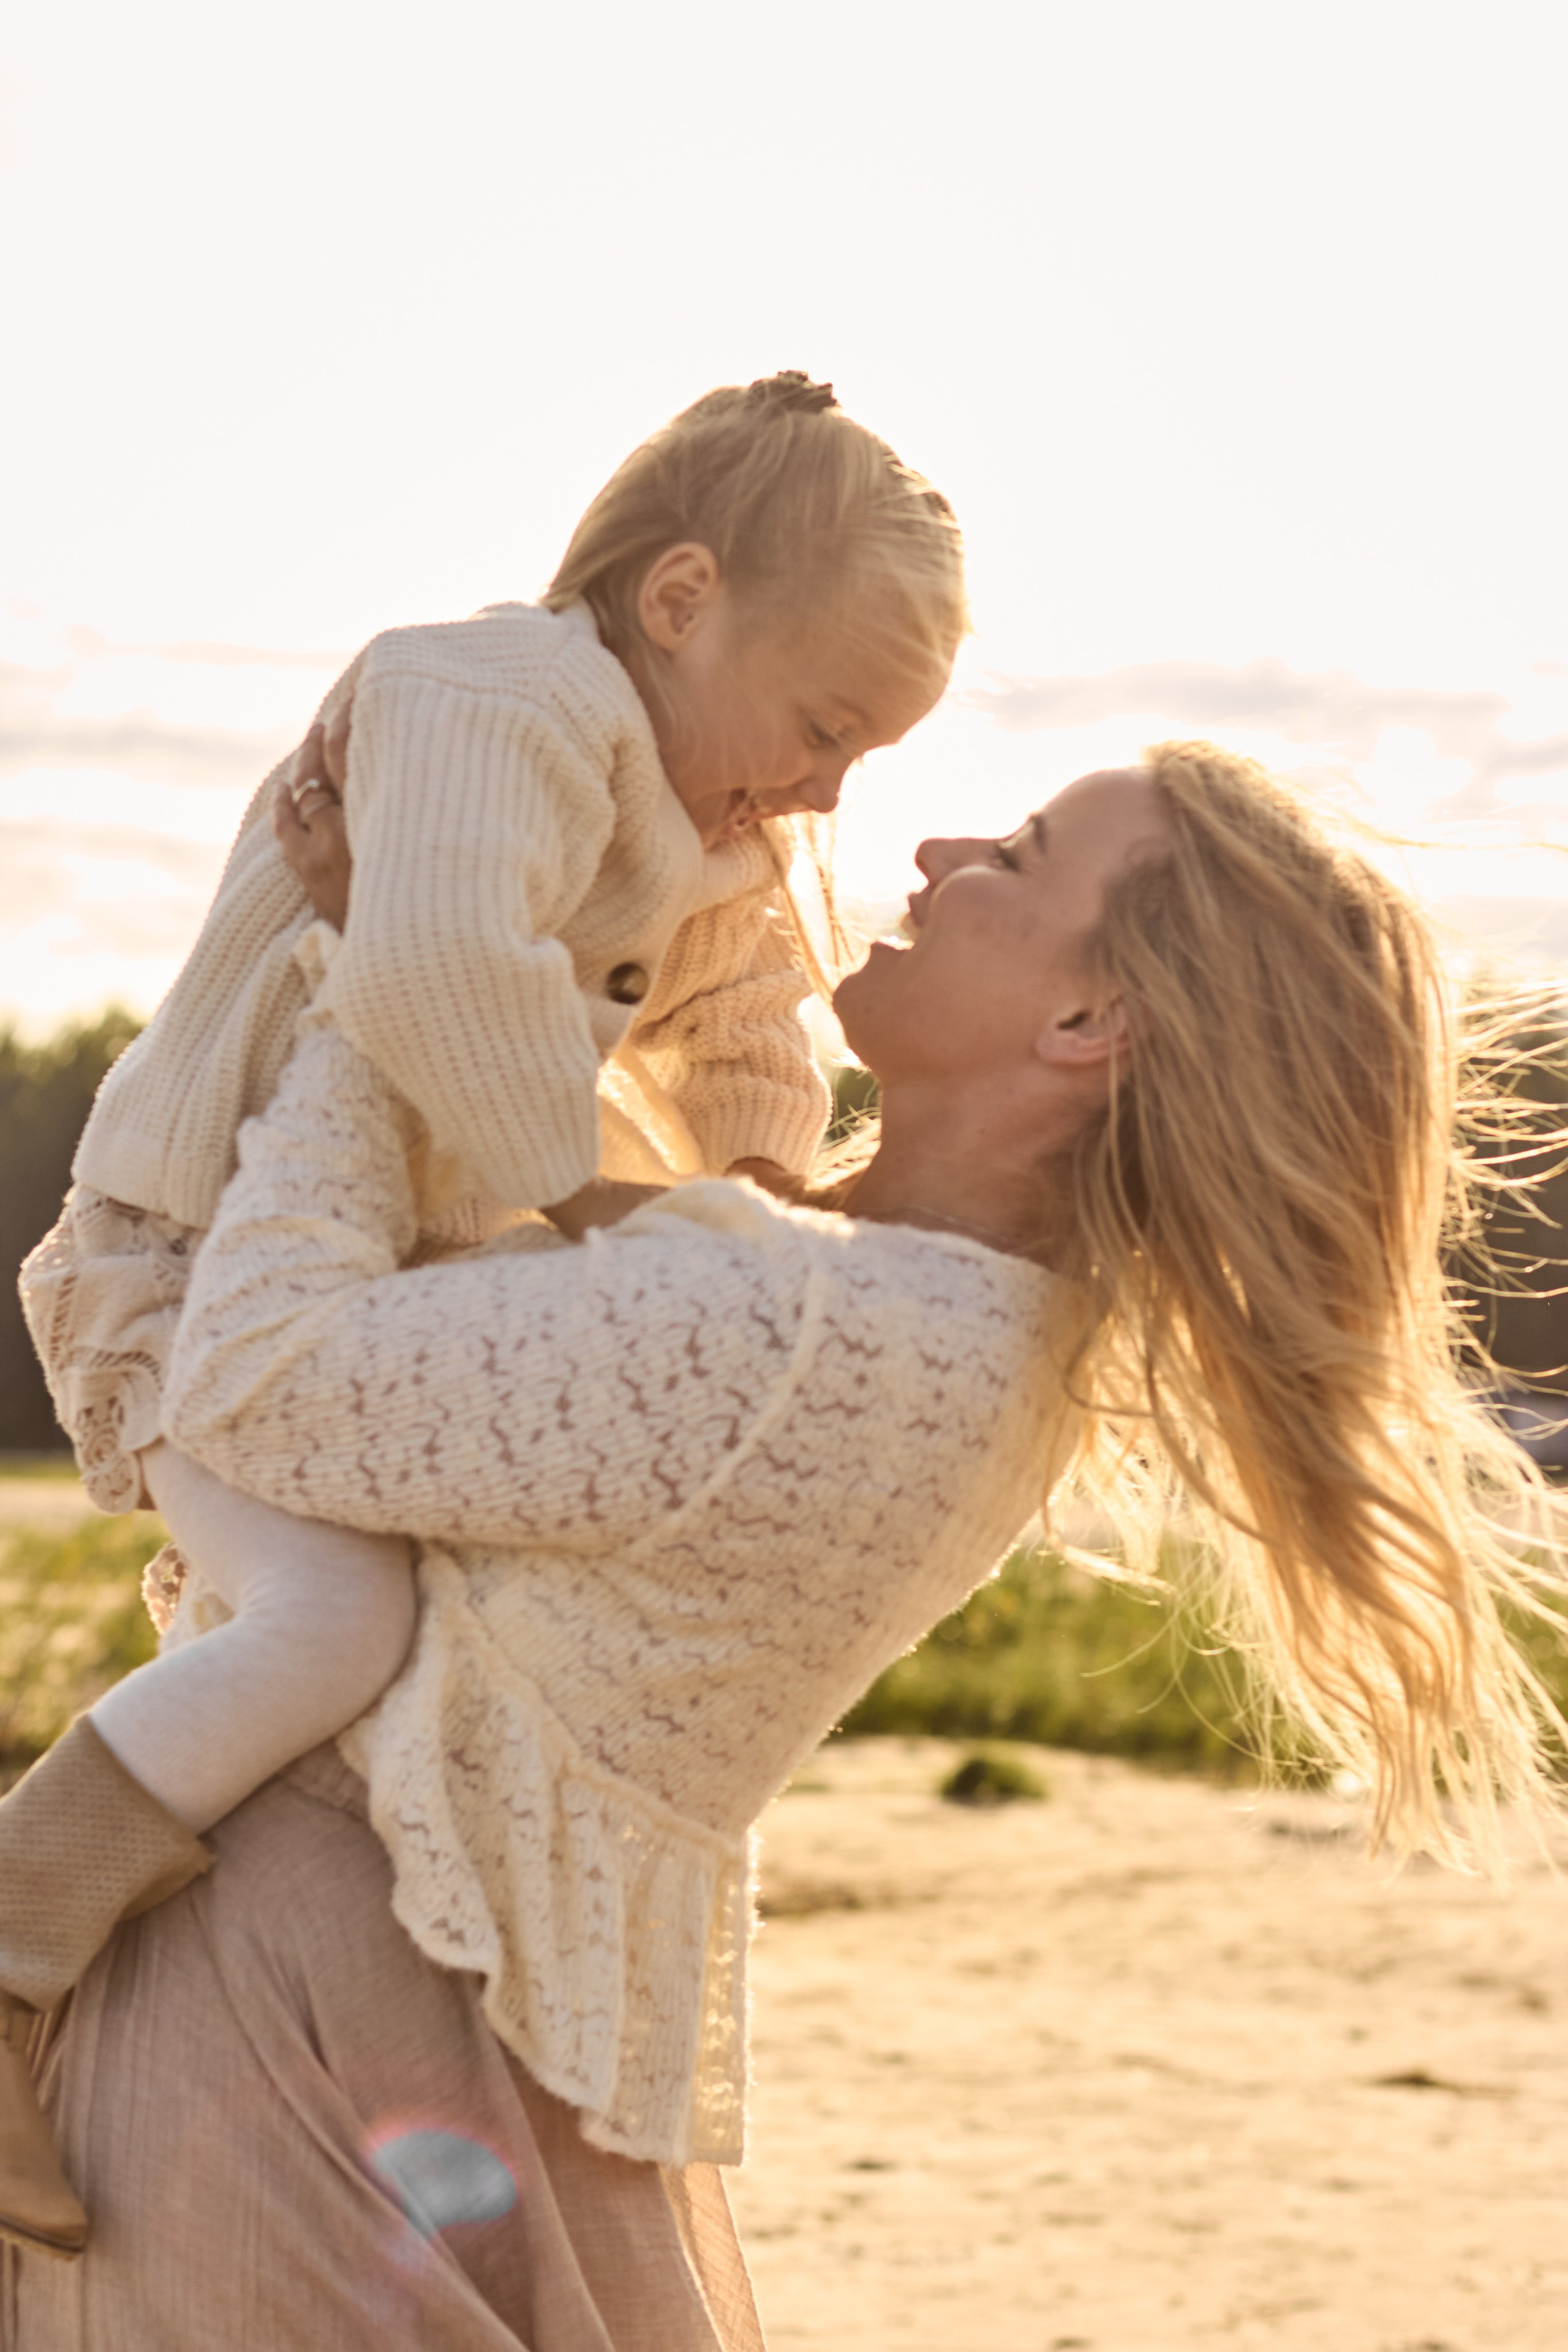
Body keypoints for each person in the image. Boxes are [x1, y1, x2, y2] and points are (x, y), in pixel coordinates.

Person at [6, 742, 1562, 2348]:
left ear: (1089, 1025)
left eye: (1019, 857)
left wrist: (371, 991)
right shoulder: (941, 1306)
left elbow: (255, 1380)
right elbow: (560, 1182)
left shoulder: (834, 1329)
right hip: (464, 2039)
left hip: (303, 2048)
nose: (947, 845)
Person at [1, 374, 963, 2257]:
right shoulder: (486, 697)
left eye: (869, 756)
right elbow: (432, 952)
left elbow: (753, 1029)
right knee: (328, 1614)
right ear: (679, 599)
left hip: (398, 1259)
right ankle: (17, 1938)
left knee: (499, 1563)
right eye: (825, 724)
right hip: (200, 1251)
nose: (833, 788)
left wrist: (760, 1206)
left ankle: (346, 1953)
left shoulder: (727, 827)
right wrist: (610, 1203)